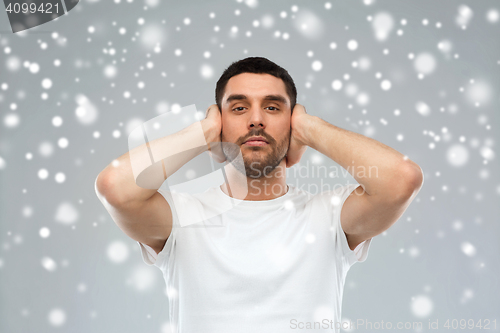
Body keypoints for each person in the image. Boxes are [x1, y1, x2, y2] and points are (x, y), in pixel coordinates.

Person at [95, 57, 424, 333]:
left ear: (291, 122)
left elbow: (401, 179)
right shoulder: (182, 217)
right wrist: (203, 133)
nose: (256, 120)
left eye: (273, 107)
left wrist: (310, 129)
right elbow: (115, 187)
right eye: (238, 108)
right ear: (219, 121)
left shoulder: (328, 215)